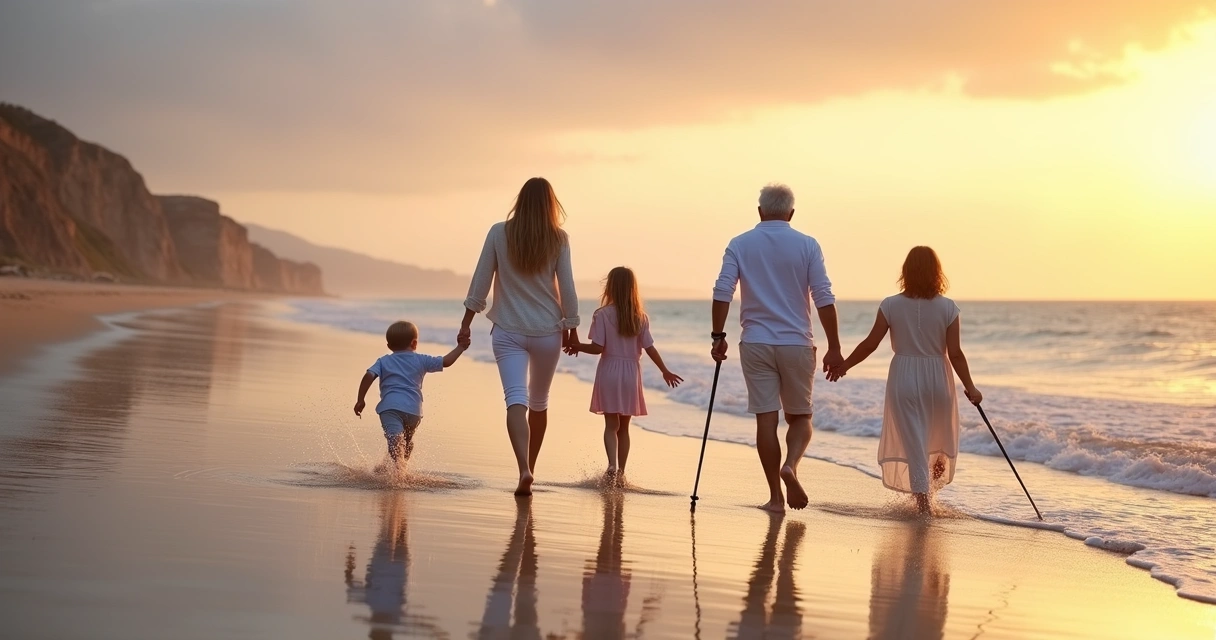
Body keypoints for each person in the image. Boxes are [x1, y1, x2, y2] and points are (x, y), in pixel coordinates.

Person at [711, 183, 842, 513]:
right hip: (797, 343)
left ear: (760, 211)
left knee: (765, 422)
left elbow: (722, 291)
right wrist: (834, 347)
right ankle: (791, 465)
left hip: (755, 342)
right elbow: (823, 297)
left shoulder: (739, 244)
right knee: (800, 416)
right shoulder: (808, 245)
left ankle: (775, 497)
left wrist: (717, 336)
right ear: (791, 213)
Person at [829, 246, 982, 514]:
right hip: (938, 377)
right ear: (937, 272)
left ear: (906, 271)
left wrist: (845, 366)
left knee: (914, 442)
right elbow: (955, 354)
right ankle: (929, 495)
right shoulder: (949, 308)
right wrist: (971, 388)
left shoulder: (890, 305)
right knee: (939, 439)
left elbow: (870, 344)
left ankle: (923, 504)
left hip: (904, 376)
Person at [460, 177, 580, 496]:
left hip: (508, 331)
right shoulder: (558, 238)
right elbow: (567, 287)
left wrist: (466, 321)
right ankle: (532, 470)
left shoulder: (499, 231)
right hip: (547, 333)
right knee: (539, 402)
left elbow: (481, 279)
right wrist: (572, 328)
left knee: (516, 399)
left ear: (521, 200)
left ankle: (523, 468)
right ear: (551, 204)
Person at [566, 267, 683, 484]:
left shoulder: (601, 314)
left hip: (609, 371)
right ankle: (621, 473)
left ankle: (611, 465)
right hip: (631, 374)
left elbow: (597, 348)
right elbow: (650, 349)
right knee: (625, 428)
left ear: (610, 286)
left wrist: (577, 346)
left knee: (611, 425)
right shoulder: (640, 317)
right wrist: (664, 371)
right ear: (632, 288)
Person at [354, 321, 469, 465]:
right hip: (413, 411)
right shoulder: (421, 359)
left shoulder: (383, 361)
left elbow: (369, 375)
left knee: (395, 440)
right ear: (414, 343)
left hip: (391, 408)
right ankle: (400, 469)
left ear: (389, 346)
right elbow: (446, 362)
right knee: (406, 442)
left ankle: (396, 472)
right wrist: (461, 347)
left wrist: (361, 399)